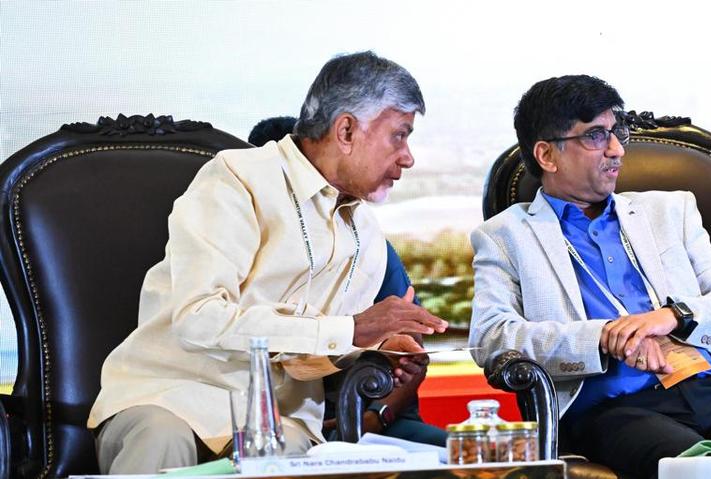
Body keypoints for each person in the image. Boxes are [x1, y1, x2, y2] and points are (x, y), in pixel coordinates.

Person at [87, 51, 448, 474]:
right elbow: (198, 318)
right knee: (160, 435)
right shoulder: (237, 178)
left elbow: (306, 355)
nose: (408, 157)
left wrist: (375, 349)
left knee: (289, 447)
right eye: (399, 136)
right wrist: (352, 329)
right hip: (168, 394)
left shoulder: (365, 232)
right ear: (346, 129)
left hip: (277, 418)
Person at [469, 75, 711, 478]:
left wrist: (673, 317)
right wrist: (604, 337)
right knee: (701, 472)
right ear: (547, 155)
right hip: (616, 409)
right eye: (596, 136)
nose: (616, 150)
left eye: (618, 132)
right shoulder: (506, 237)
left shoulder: (671, 212)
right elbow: (491, 338)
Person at [248, 116, 446, 446]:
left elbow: (413, 354)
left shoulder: (365, 242)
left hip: (376, 418)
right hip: (275, 424)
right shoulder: (238, 243)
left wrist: (372, 418)